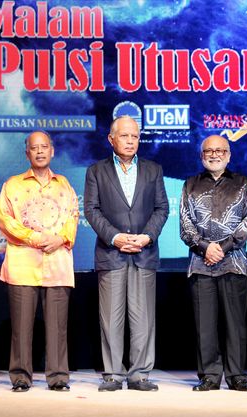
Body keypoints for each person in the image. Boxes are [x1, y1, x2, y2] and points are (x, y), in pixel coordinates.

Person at [84, 116, 169, 392]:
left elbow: (162, 208)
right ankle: (112, 374)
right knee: (111, 318)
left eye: (135, 136)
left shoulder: (153, 169)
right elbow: (91, 210)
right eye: (124, 136)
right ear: (111, 139)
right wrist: (115, 237)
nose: (130, 141)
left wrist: (146, 236)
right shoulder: (96, 171)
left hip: (144, 252)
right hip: (111, 253)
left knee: (143, 318)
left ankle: (139, 375)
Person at [0, 131, 79, 392]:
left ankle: (58, 377)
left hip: (58, 262)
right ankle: (21, 377)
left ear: (52, 151)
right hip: (23, 264)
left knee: (57, 328)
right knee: (21, 328)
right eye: (35, 148)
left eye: (44, 147)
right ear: (27, 153)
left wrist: (60, 238)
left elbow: (73, 216)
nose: (40, 151)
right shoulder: (13, 184)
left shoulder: (64, 184)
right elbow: (5, 221)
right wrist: (34, 238)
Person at [179, 134, 247, 392]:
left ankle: (237, 376)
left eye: (220, 150)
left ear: (229, 155)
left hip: (234, 262)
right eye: (209, 151)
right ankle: (210, 376)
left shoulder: (243, 183)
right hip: (200, 264)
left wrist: (221, 248)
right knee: (205, 325)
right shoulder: (190, 185)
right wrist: (205, 247)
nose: (214, 155)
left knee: (235, 324)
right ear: (201, 156)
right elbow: (185, 225)